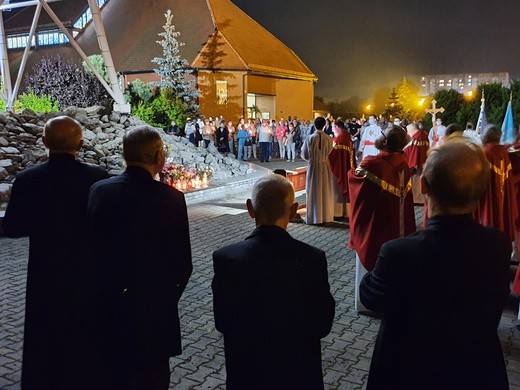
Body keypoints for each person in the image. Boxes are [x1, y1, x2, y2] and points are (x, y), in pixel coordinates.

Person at [360, 141, 510, 389]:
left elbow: (370, 297)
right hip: (475, 373)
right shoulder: (498, 245)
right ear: (482, 189)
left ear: (423, 185)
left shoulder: (399, 253)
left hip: (407, 373)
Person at [1, 116, 109, 388]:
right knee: (86, 342)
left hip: (44, 276)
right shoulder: (98, 178)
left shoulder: (27, 180)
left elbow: (13, 227)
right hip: (88, 275)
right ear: (81, 144)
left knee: (44, 342)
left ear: (44, 142)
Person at [87, 126, 193, 389]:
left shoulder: (100, 191)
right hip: (155, 313)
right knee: (153, 377)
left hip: (110, 308)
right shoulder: (172, 199)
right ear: (159, 156)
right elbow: (183, 263)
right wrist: (164, 299)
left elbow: (91, 253)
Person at [212, 174, 335, 390]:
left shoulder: (226, 258)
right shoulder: (312, 258)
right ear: (294, 209)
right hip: (299, 373)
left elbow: (223, 322)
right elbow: (323, 323)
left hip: (247, 373)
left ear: (250, 208)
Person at [348, 125, 416, 312]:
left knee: (373, 260)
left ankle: (368, 303)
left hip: (376, 227)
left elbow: (353, 179)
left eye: (383, 133)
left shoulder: (372, 165)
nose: (380, 135)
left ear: (385, 140)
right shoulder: (403, 162)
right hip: (397, 226)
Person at [476, 124, 517, 242]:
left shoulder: (485, 154)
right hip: (503, 197)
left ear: (485, 137)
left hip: (488, 199)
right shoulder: (504, 153)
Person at [301, 116, 335, 225]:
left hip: (314, 165)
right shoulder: (329, 138)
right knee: (325, 190)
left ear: (314, 125)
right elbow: (330, 151)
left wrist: (312, 159)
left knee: (314, 190)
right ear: (325, 125)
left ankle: (315, 218)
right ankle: (326, 216)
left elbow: (305, 154)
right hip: (325, 165)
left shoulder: (309, 138)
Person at [328, 118, 356, 220]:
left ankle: (338, 213)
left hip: (337, 169)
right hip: (347, 168)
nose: (332, 130)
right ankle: (346, 212)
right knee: (345, 190)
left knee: (337, 190)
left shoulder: (338, 140)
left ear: (337, 127)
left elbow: (331, 155)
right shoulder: (348, 138)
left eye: (332, 127)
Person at [404, 123, 429, 204]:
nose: (408, 133)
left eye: (408, 131)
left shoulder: (416, 138)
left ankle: (417, 199)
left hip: (416, 163)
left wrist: (412, 163)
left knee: (416, 183)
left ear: (413, 130)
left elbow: (414, 151)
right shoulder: (423, 135)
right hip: (422, 162)